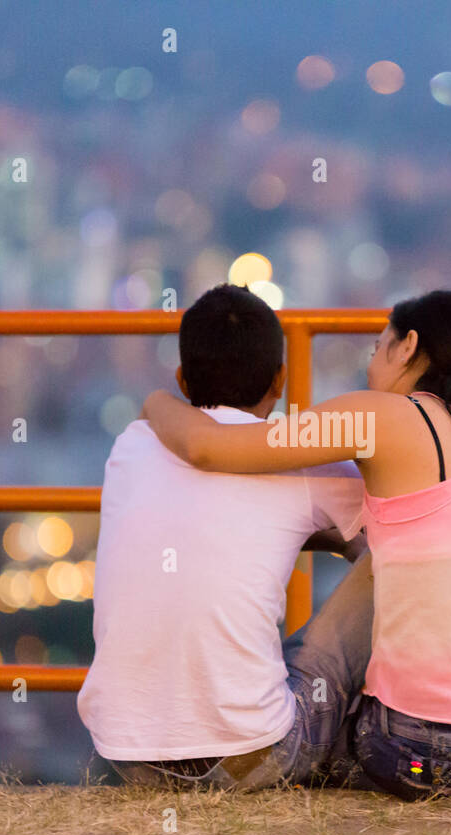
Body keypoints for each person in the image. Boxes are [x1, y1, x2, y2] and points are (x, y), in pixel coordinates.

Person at [143, 289, 451, 799]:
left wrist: (157, 402)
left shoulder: (380, 417)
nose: (372, 362)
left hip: (420, 751)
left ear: (407, 347)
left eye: (379, 346)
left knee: (315, 722)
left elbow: (208, 447)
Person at [78, 284, 376, 790]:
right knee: (398, 562)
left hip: (129, 757)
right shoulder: (303, 459)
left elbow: (204, 521)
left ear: (181, 378)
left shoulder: (133, 443)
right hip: (257, 756)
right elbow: (401, 535)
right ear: (279, 380)